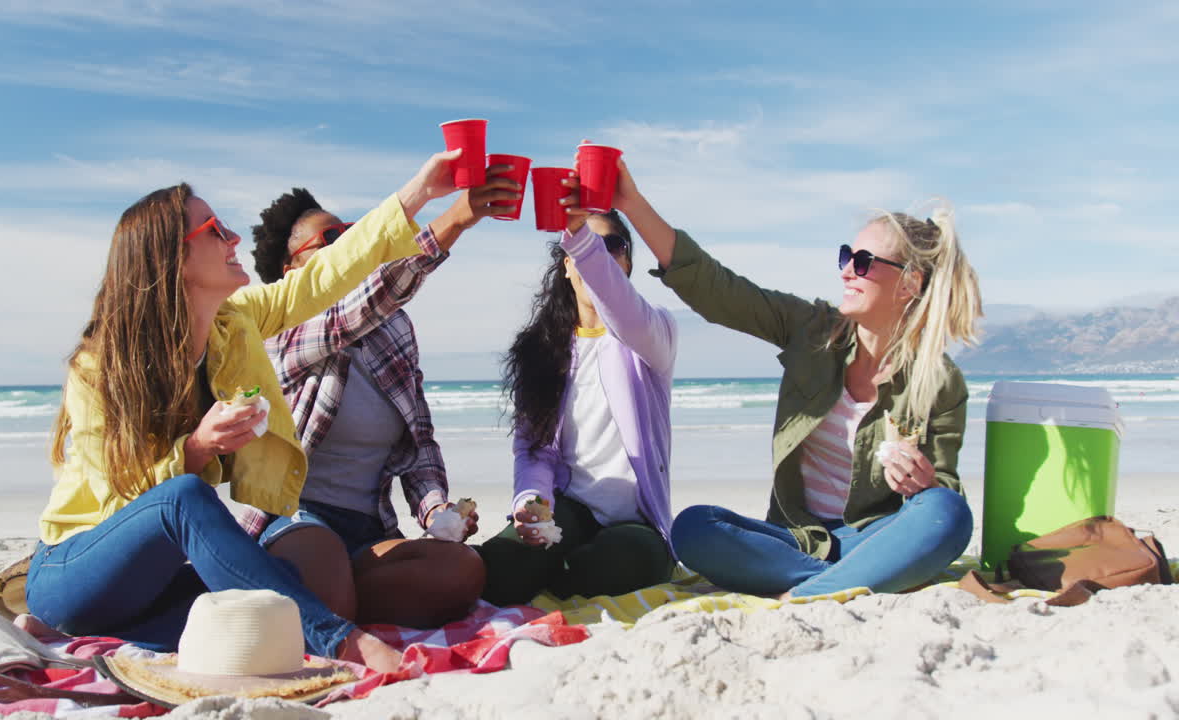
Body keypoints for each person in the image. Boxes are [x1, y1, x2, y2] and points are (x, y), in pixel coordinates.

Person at [26, 150, 470, 672]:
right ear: (170, 259)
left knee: (282, 599)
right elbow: (120, 498)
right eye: (215, 229)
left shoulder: (232, 325)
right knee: (185, 497)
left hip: (152, 589)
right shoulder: (100, 364)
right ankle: (346, 645)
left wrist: (418, 192)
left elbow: (323, 277)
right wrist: (196, 449)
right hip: (74, 569)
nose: (234, 239)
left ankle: (68, 631)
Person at [601, 149, 981, 598]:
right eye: (845, 256)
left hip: (875, 538)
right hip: (795, 540)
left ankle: (811, 592)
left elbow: (943, 490)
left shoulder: (940, 381)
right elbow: (716, 288)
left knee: (948, 512)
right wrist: (632, 204)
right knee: (695, 526)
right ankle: (835, 585)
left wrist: (924, 483)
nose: (846, 272)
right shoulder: (812, 330)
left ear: (910, 283)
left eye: (863, 262)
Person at [236, 164, 519, 628]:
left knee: (464, 570)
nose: (348, 246)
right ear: (290, 273)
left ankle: (318, 600)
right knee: (326, 571)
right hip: (297, 518)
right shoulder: (276, 329)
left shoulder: (395, 328)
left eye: (351, 234)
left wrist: (436, 511)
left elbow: (419, 441)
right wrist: (453, 220)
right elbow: (353, 313)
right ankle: (320, 594)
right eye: (331, 240)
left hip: (368, 531)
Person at [475, 173, 679, 606]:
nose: (599, 257)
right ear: (566, 265)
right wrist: (532, 503)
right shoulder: (543, 351)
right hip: (570, 511)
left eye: (614, 247)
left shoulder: (653, 333)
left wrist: (576, 232)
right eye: (586, 248)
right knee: (502, 567)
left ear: (625, 264)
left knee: (619, 563)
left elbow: (622, 308)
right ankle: (547, 565)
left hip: (636, 521)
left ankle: (562, 572)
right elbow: (535, 451)